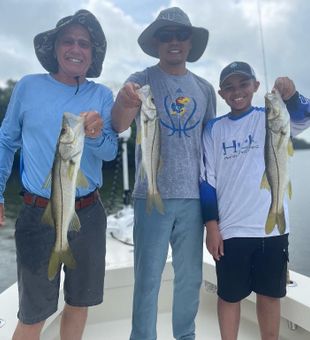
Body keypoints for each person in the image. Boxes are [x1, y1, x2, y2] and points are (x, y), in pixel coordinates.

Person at [0, 9, 118, 340]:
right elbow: (5, 141)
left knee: (79, 304)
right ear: (55, 47)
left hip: (89, 214)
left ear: (92, 54)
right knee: (33, 313)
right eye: (68, 41)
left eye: (84, 43)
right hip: (37, 212)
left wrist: (94, 135)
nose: (76, 49)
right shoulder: (27, 87)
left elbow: (109, 152)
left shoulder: (102, 95)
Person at [111, 6, 216, 340]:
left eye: (181, 35)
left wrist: (216, 211)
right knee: (147, 278)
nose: (174, 41)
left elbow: (211, 149)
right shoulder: (140, 81)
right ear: (156, 42)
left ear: (190, 42)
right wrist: (126, 101)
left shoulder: (204, 88)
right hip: (149, 195)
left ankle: (185, 335)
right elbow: (118, 124)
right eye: (166, 35)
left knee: (190, 279)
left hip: (193, 199)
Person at [199, 61, 310, 340]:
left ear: (256, 87)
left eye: (244, 84)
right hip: (232, 230)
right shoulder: (213, 129)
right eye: (230, 87)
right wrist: (211, 225)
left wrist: (292, 95)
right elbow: (206, 181)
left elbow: (304, 116)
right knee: (228, 296)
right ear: (222, 93)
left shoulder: (270, 117)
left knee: (270, 295)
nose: (237, 92)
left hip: (272, 230)